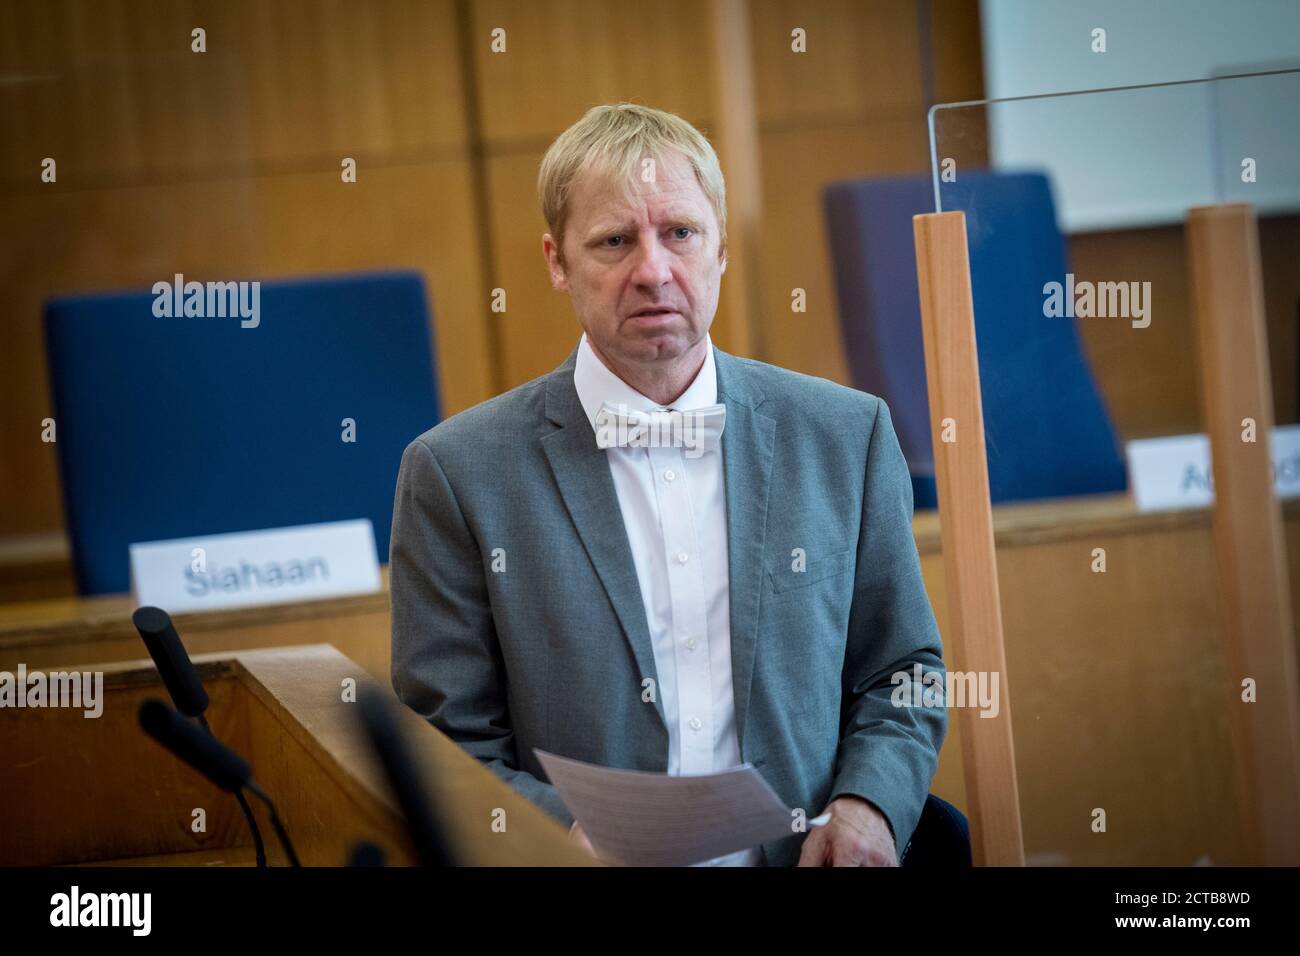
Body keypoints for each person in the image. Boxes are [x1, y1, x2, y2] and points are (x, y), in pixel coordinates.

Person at [390, 102, 947, 866]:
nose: (653, 270)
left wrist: (869, 807)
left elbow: (903, 673)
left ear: (721, 245)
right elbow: (446, 741)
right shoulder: (456, 474)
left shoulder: (846, 435)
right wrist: (558, 837)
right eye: (615, 240)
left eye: (680, 233)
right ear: (556, 261)